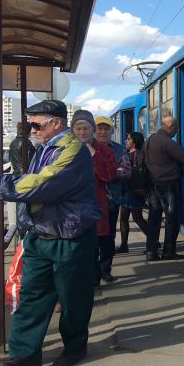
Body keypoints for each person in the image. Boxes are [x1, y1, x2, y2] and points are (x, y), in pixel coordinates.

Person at [0, 100, 101, 366]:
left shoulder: (72, 150)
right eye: (30, 125)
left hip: (69, 235)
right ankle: (25, 355)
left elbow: (42, 184)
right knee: (32, 295)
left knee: (73, 298)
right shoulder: (47, 147)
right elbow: (32, 180)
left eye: (36, 124)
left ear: (56, 123)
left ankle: (75, 347)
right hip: (43, 233)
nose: (32, 130)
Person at [72, 110, 117, 285]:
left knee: (97, 244)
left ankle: (95, 277)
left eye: (86, 128)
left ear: (93, 130)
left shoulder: (103, 151)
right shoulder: (65, 149)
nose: (82, 132)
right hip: (71, 208)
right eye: (78, 128)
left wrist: (93, 154)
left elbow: (110, 175)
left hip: (95, 205)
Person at [144, 115, 184, 261]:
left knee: (154, 219)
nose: (176, 132)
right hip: (167, 185)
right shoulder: (167, 142)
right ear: (170, 126)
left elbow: (141, 159)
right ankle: (168, 251)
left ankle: (151, 252)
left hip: (152, 185)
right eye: (176, 129)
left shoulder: (150, 139)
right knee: (172, 219)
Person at [94, 116, 130, 269]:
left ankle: (105, 269)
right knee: (92, 237)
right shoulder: (86, 148)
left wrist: (109, 172)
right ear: (94, 131)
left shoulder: (119, 149)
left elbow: (127, 170)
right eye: (99, 129)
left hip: (111, 200)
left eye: (106, 129)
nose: (103, 132)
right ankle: (93, 271)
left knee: (109, 237)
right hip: (92, 201)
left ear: (111, 131)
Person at [116, 131, 148, 253]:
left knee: (136, 217)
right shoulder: (140, 154)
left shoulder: (130, 155)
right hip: (133, 191)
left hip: (131, 191)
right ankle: (124, 245)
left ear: (134, 142)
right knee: (126, 217)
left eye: (128, 139)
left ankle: (153, 241)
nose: (126, 141)